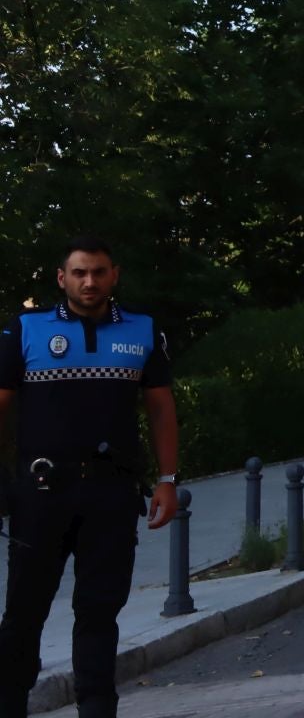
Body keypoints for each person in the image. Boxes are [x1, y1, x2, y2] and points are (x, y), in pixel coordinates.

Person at [0, 238, 178, 718]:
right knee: (23, 613)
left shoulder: (142, 330)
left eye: (98, 272)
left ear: (114, 275)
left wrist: (167, 479)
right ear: (62, 278)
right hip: (41, 495)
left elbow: (161, 410)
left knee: (99, 614)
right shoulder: (26, 330)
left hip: (111, 495)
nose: (89, 282)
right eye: (79, 272)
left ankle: (97, 710)